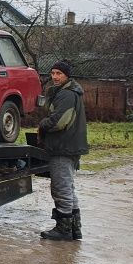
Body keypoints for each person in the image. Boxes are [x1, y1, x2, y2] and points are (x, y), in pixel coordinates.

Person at [38, 59, 88, 241]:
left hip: (63, 147)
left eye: (59, 73)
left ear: (67, 75)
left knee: (61, 188)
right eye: (52, 73)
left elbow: (59, 121)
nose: (55, 77)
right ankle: (75, 229)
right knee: (68, 188)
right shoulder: (70, 92)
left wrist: (43, 124)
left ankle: (64, 230)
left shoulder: (67, 95)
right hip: (70, 146)